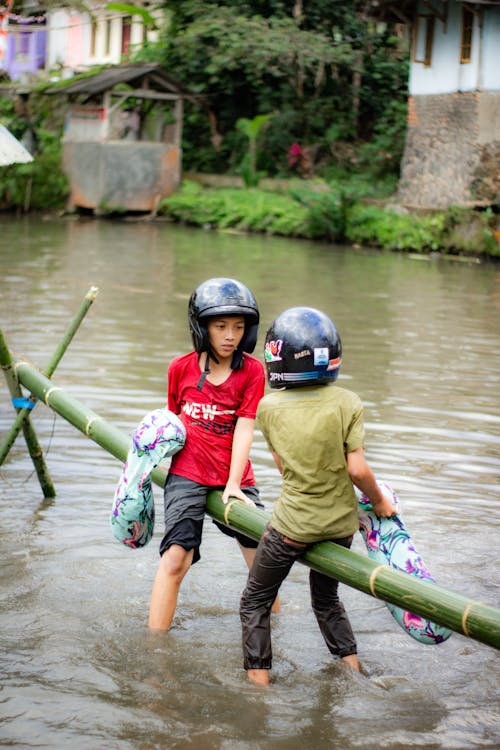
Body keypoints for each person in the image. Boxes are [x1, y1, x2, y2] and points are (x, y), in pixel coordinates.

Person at [239, 306, 396, 686]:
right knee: (326, 601)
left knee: (254, 601)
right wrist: (379, 502)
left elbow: (282, 466)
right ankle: (353, 670)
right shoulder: (348, 402)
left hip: (293, 527)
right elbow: (357, 470)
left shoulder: (268, 407)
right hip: (340, 527)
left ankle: (258, 688)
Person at [148, 277, 280, 631]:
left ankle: (277, 628)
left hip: (234, 477)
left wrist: (234, 483)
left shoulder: (252, 371)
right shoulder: (180, 368)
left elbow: (245, 427)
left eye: (238, 327)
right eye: (221, 326)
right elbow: (173, 421)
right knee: (176, 560)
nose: (230, 336)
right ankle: (154, 648)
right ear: (202, 326)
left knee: (263, 562)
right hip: (187, 473)